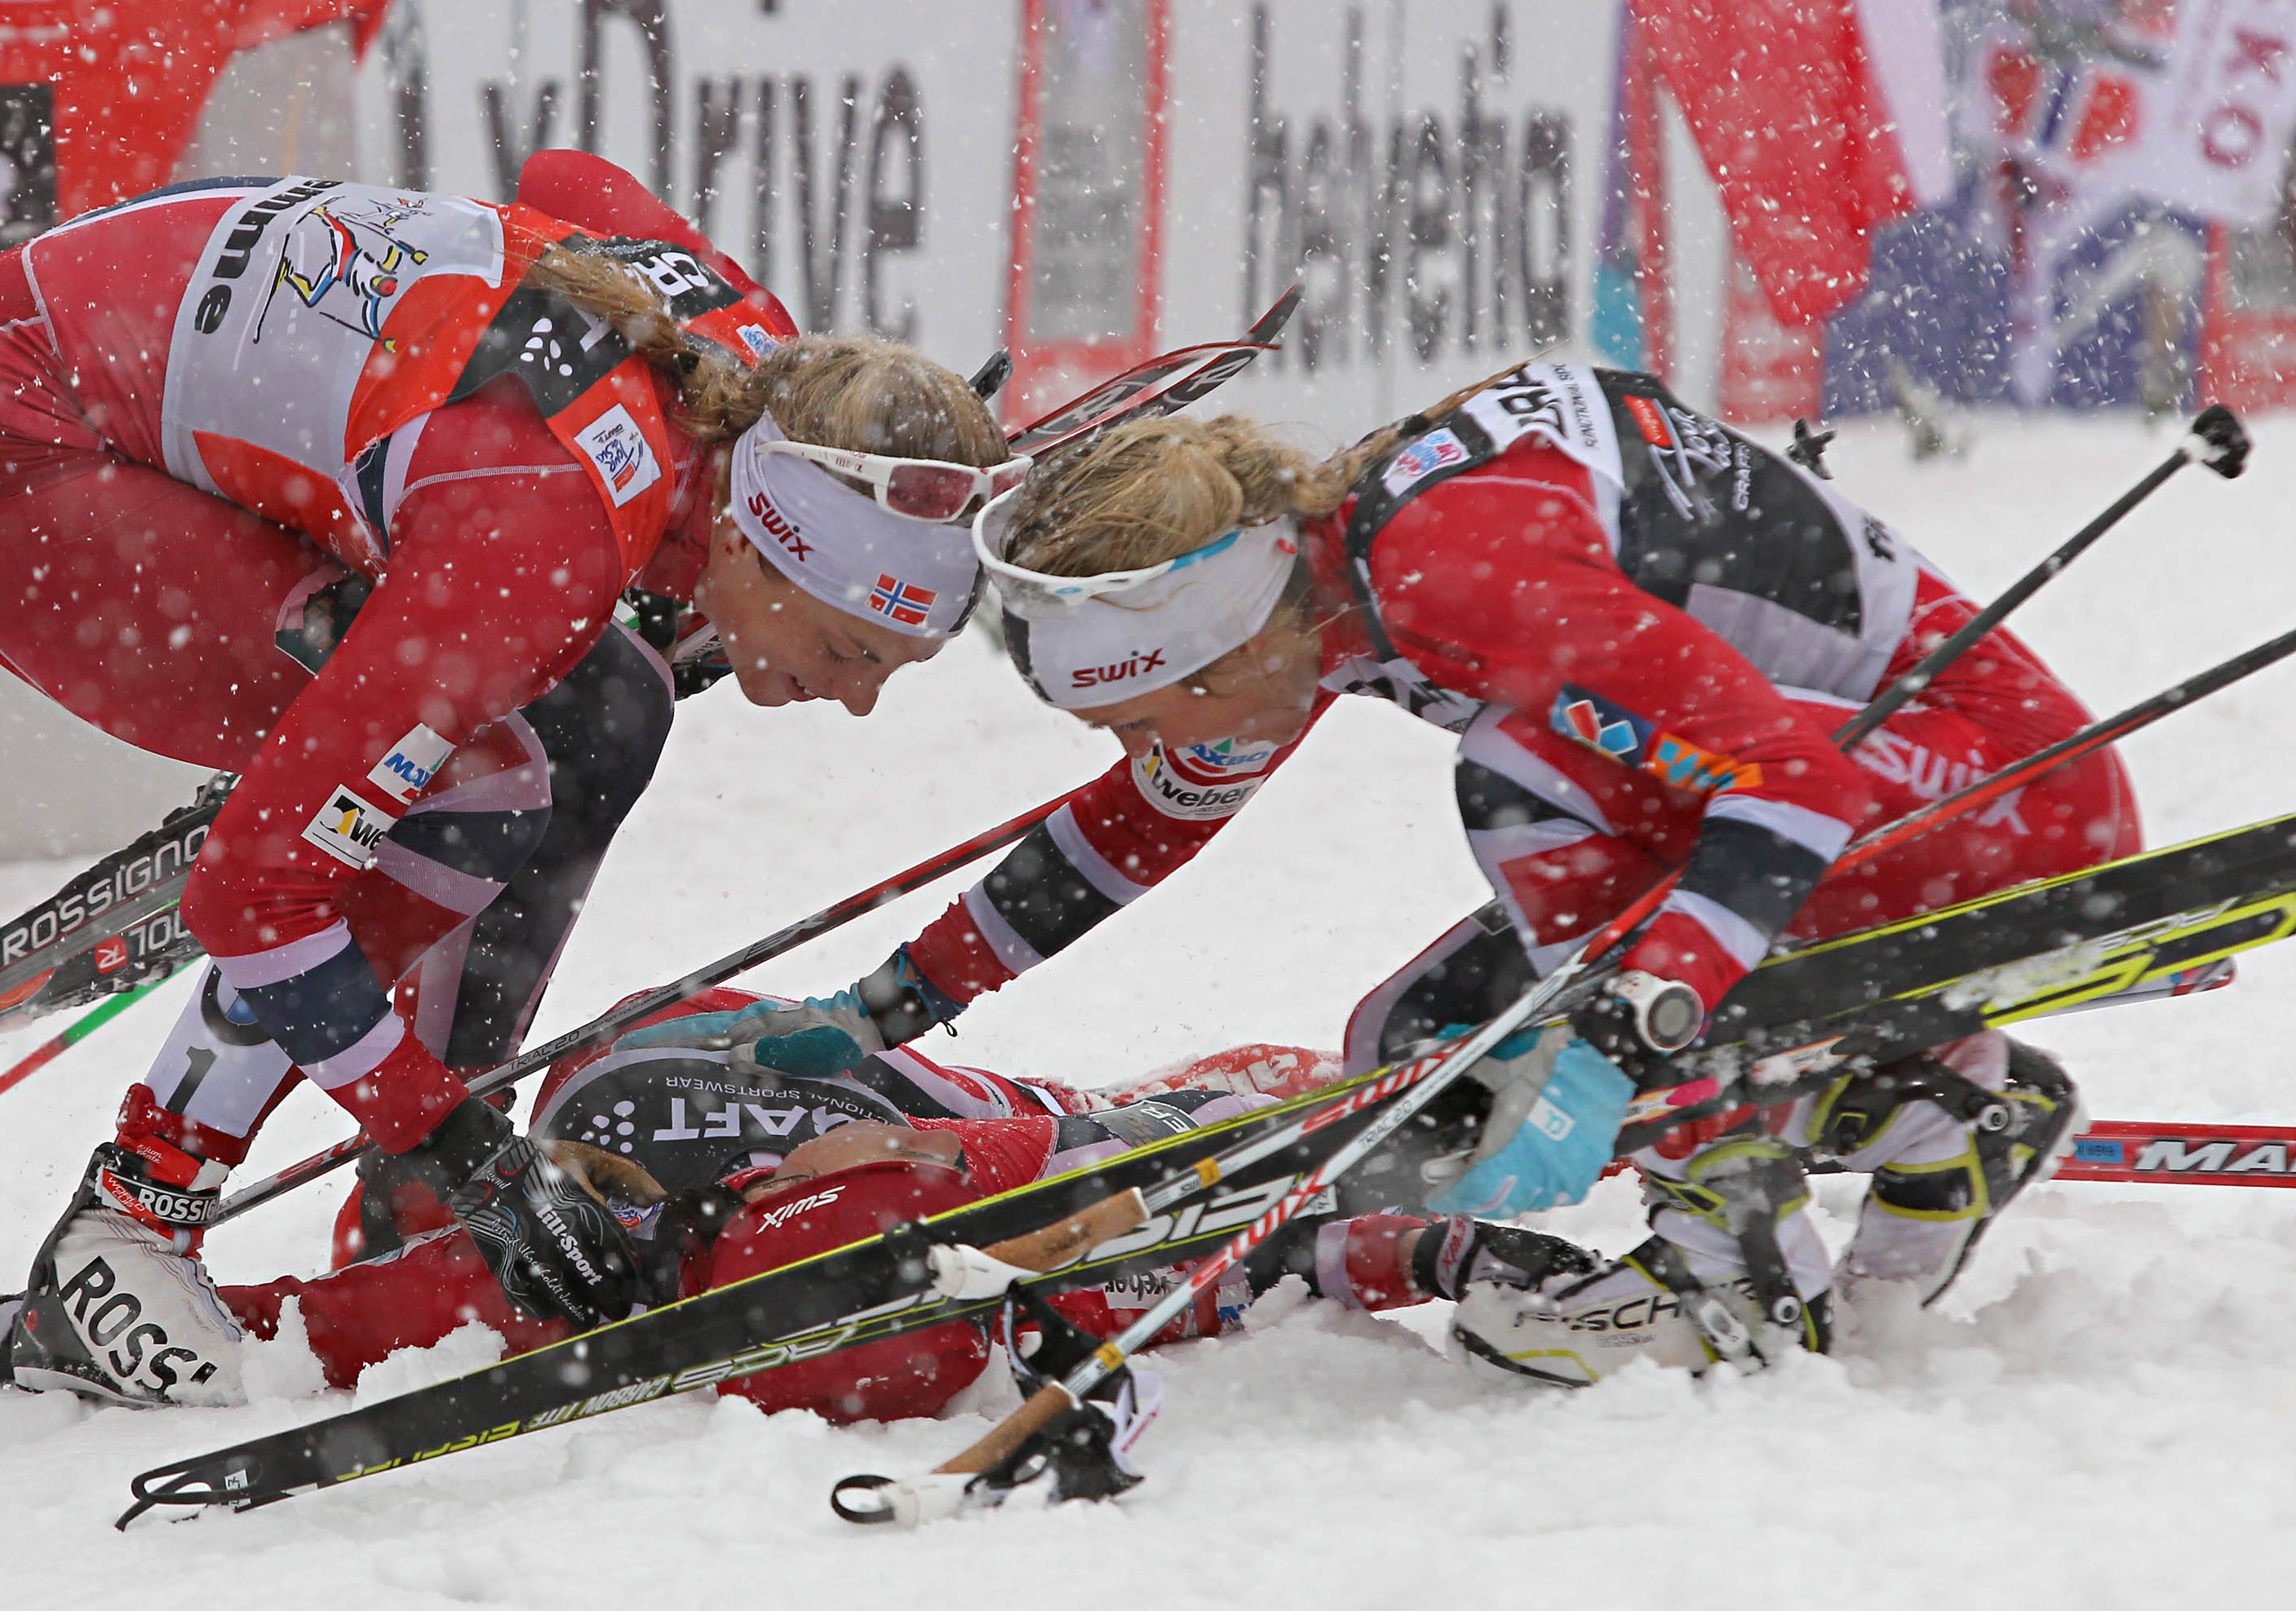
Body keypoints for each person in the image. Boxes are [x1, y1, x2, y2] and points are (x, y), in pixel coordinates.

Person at [677, 361, 2134, 1381]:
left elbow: (1788, 783)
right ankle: (1926, 1107)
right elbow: (1143, 824)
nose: (1147, 749)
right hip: (1852, 807)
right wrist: (891, 1009)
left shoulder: (1454, 569)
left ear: (1221, 643)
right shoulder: (1319, 573)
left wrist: (1633, 1034)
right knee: (1415, 1054)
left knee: (1517, 777)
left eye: (1140, 712)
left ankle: (1738, 1263)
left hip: (1997, 803)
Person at [0, 151, 1011, 1407]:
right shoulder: (540, 538)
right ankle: (125, 1228)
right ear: (753, 536)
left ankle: (400, 1189)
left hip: (75, 329)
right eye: (850, 651)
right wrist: (469, 1151)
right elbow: (248, 903)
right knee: (487, 780)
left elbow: (570, 176)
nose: (855, 701)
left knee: (603, 705)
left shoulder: (750, 361)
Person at [0, 989, 1585, 1434]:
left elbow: (1201, 1233)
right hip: (706, 1170)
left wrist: (1430, 1243)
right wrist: (29, 1333)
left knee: (1121, 1181)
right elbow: (278, 1332)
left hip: (899, 1187)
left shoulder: (988, 1186)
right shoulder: (538, 1259)